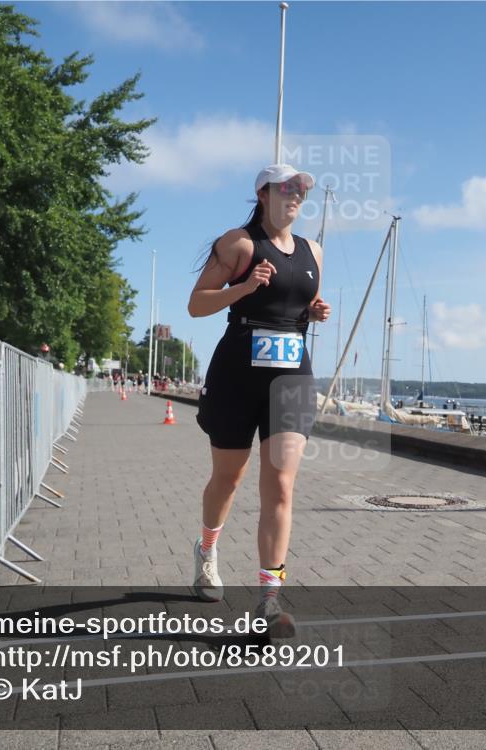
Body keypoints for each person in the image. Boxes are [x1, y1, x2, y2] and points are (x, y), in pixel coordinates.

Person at [187, 163, 331, 637]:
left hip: (291, 375)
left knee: (282, 484)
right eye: (286, 189)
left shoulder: (314, 251)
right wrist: (244, 287)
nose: (295, 197)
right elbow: (197, 303)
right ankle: (207, 551)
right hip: (237, 374)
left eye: (301, 191)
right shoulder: (239, 244)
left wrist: (313, 311)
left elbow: (297, 303)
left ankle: (269, 597)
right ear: (263, 194)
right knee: (228, 479)